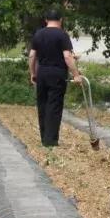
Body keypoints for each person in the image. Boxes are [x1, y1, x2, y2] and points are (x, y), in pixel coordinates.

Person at [28, 9, 83, 147]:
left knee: (43, 104)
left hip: (42, 72)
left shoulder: (38, 34)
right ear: (61, 20)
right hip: (57, 73)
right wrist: (76, 75)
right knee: (54, 105)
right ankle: (50, 140)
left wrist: (32, 73)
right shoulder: (62, 35)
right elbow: (66, 56)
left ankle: (44, 138)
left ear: (46, 20)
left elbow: (32, 56)